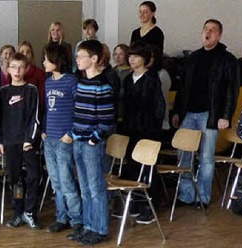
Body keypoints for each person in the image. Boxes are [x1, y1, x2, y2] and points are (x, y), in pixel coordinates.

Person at [172, 19, 239, 208]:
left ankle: (203, 198)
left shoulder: (227, 60)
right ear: (201, 33)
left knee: (207, 158)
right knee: (183, 155)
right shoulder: (193, 58)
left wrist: (225, 115)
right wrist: (177, 111)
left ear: (219, 35)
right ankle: (186, 195)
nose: (208, 32)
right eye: (205, 29)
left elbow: (231, 91)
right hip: (188, 113)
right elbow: (182, 88)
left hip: (210, 114)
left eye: (213, 30)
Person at [116, 41, 165, 225]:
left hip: (148, 131)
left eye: (135, 56)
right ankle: (134, 203)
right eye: (130, 55)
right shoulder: (128, 79)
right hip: (130, 129)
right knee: (132, 167)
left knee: (148, 169)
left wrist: (153, 130)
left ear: (144, 59)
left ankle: (150, 206)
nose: (131, 59)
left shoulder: (152, 78)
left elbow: (158, 107)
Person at [72, 40, 114, 245]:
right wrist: (74, 133)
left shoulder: (102, 85)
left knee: (96, 187)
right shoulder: (81, 83)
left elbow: (106, 121)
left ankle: (100, 228)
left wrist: (92, 140)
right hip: (78, 141)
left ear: (94, 59)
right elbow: (78, 112)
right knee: (85, 188)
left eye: (81, 56)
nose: (77, 59)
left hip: (91, 144)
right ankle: (88, 226)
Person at [41, 44, 83, 238]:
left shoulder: (71, 81)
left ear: (57, 61)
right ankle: (61, 218)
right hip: (49, 139)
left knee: (66, 181)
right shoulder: (48, 82)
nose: (43, 62)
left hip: (64, 140)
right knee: (56, 182)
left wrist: (71, 133)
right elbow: (47, 110)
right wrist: (43, 131)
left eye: (47, 59)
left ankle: (77, 219)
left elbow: (80, 109)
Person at [0, 52, 42, 230]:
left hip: (27, 142)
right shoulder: (3, 92)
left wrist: (29, 139)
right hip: (9, 142)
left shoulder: (31, 90)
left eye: (21, 67)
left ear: (27, 69)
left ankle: (30, 212)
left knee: (33, 176)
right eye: (13, 67)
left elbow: (35, 117)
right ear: (8, 69)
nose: (17, 70)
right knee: (15, 179)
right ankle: (17, 212)